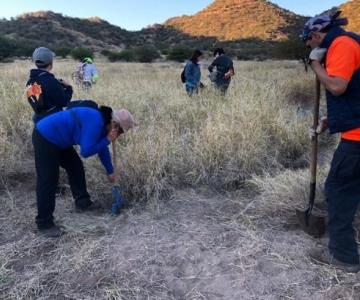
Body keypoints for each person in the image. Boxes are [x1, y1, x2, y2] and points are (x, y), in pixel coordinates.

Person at [302, 11, 360, 273]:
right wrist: (331, 120)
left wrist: (315, 65)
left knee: (338, 190)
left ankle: (344, 257)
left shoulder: (341, 45)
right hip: (355, 128)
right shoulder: (347, 43)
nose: (309, 47)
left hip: (357, 140)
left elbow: (337, 87)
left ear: (316, 36)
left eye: (309, 43)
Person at [32, 105, 136, 238]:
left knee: (76, 167)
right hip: (45, 136)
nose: (120, 135)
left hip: (60, 141)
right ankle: (44, 224)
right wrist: (108, 140)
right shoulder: (96, 121)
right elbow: (86, 151)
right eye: (121, 131)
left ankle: (83, 203)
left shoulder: (103, 123)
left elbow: (101, 148)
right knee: (48, 180)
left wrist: (110, 171)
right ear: (115, 125)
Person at [26, 47, 73, 123]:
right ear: (50, 63)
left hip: (38, 120)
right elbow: (64, 102)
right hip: (53, 121)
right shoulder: (51, 81)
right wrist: (68, 87)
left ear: (36, 63)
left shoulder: (30, 81)